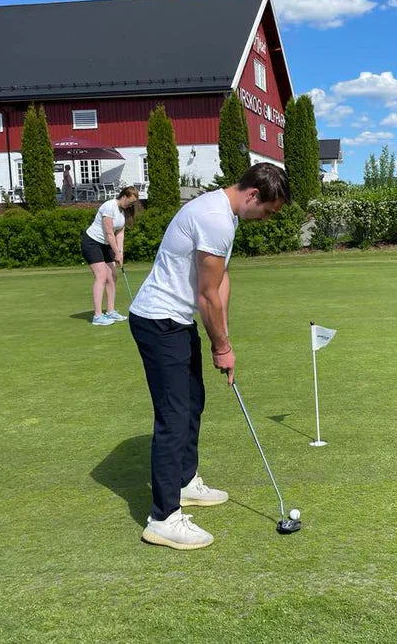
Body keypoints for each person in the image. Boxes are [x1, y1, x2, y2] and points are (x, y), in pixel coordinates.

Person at [128, 163, 290, 550]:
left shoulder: (225, 215)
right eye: (267, 211)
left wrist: (224, 338)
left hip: (177, 320)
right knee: (173, 417)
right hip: (159, 321)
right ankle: (163, 518)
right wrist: (221, 347)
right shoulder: (215, 217)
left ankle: (184, 483)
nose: (266, 219)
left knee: (192, 404)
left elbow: (220, 281)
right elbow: (205, 294)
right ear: (253, 195)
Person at [80, 185, 141, 326]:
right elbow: (109, 233)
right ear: (124, 196)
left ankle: (110, 311)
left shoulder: (123, 211)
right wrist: (116, 253)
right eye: (130, 202)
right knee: (101, 276)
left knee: (112, 276)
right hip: (92, 242)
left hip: (106, 244)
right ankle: (97, 316)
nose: (131, 205)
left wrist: (120, 253)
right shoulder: (109, 206)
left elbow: (120, 233)